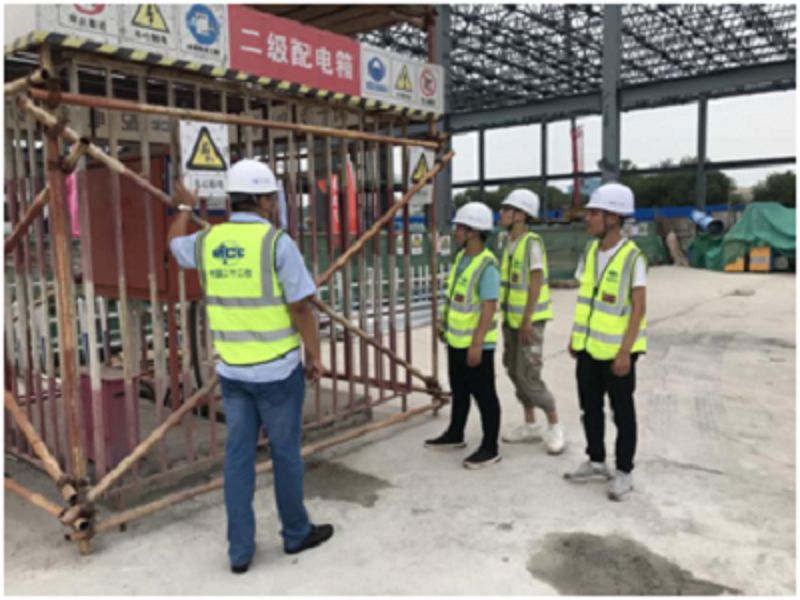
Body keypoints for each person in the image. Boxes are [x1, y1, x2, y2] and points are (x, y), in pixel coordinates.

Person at [167, 159, 333, 573]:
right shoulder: (277, 244)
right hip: (277, 372)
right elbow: (300, 306)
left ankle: (240, 551)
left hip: (233, 372)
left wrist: (184, 209)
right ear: (264, 201)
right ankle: (295, 533)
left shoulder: (209, 240)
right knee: (285, 455)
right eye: (272, 198)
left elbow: (174, 248)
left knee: (238, 460)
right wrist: (314, 354)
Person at [563, 182, 647, 502]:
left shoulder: (632, 257)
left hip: (617, 352)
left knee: (622, 413)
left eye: (594, 213)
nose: (588, 218)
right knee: (590, 408)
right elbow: (587, 299)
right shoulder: (589, 251)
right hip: (587, 347)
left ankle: (624, 471)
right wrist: (576, 337)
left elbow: (638, 307)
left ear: (613, 218)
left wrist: (625, 351)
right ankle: (596, 461)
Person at [425, 201, 503, 469]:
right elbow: (454, 298)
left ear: (473, 232)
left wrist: (477, 343)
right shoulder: (461, 259)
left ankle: (490, 447)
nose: (455, 232)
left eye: (459, 227)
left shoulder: (486, 266)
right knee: (459, 390)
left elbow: (489, 307)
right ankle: (455, 433)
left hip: (475, 344)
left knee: (484, 395)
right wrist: (443, 323)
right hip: (456, 340)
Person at [497, 189, 565, 454]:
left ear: (521, 215)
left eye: (507, 209)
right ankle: (530, 424)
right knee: (514, 370)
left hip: (529, 321)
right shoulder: (508, 242)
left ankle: (554, 424)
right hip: (511, 320)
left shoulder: (531, 243)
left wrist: (527, 319)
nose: (501, 213)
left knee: (529, 373)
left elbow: (535, 282)